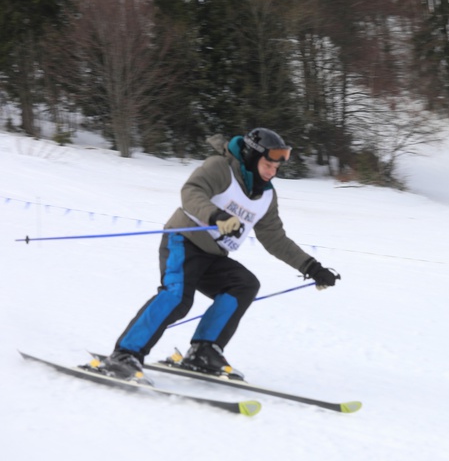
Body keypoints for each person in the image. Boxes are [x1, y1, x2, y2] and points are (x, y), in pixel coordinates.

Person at [93, 128, 340, 384]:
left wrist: (311, 267)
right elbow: (191, 192)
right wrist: (215, 216)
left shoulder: (266, 195)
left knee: (244, 284)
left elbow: (274, 237)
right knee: (177, 297)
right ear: (252, 157)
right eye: (268, 164)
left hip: (214, 256)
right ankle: (124, 354)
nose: (272, 172)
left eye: (276, 167)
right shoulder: (220, 168)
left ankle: (204, 350)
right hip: (183, 241)